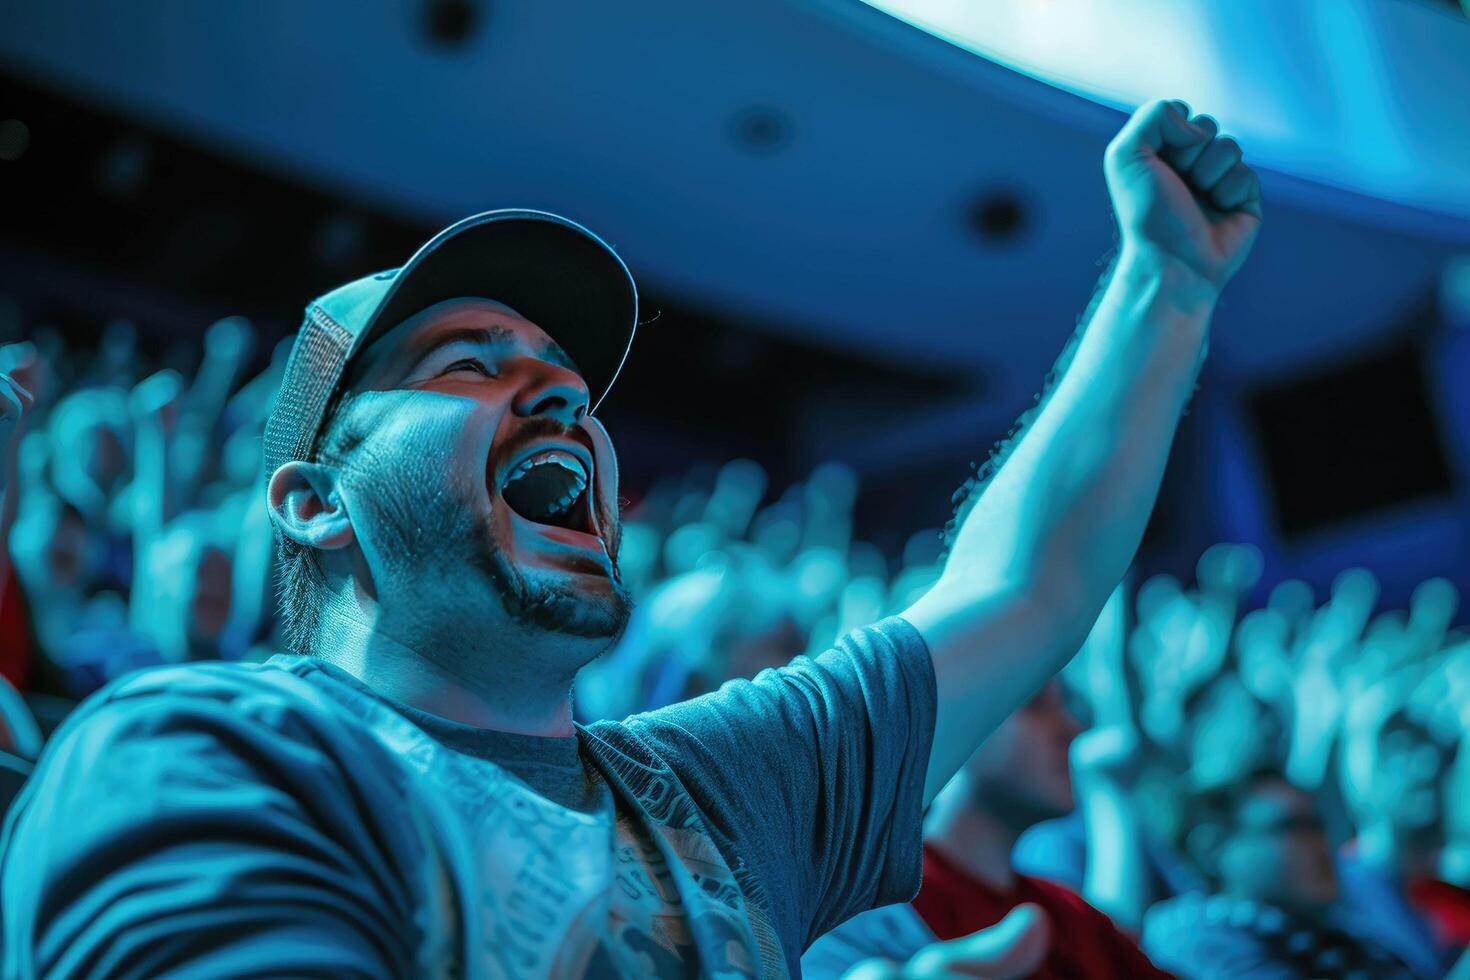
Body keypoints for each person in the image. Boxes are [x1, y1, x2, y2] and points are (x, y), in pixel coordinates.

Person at [1, 98, 1263, 977]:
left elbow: (1023, 588)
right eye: (466, 363)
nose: (557, 395)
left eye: (566, 379)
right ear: (317, 502)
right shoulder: (201, 754)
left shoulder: (723, 789)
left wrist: (1166, 290)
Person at [802, 681, 1175, 979]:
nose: (1071, 728)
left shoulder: (1070, 912)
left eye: (1065, 704)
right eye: (1035, 703)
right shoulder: (864, 909)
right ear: (944, 725)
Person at [1142, 770, 1417, 979]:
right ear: (1212, 848)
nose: (1320, 844)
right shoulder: (1191, 931)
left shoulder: (1343, 933)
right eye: (1294, 827)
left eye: (1319, 826)